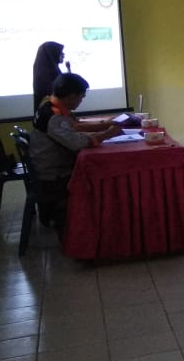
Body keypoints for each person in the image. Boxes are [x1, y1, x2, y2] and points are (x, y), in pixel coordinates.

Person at [29, 73, 122, 234]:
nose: (81, 101)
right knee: (104, 176)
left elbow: (73, 129)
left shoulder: (49, 105)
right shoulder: (54, 117)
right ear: (71, 96)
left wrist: (102, 128)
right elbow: (76, 143)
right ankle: (101, 225)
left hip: (48, 167)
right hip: (54, 176)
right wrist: (107, 135)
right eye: (81, 97)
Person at [32, 41, 65, 112]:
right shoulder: (45, 76)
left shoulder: (45, 71)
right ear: (52, 54)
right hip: (51, 115)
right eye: (60, 52)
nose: (63, 55)